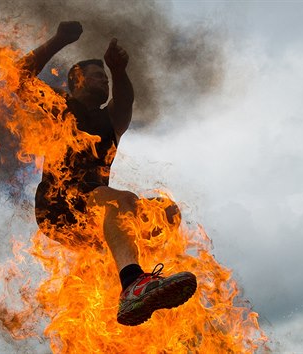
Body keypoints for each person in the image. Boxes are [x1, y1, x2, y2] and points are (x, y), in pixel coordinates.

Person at [20, 21, 197, 326]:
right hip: (58, 208)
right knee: (119, 200)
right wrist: (59, 40)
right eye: (97, 76)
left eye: (106, 76)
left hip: (92, 209)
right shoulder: (61, 105)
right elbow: (19, 77)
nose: (104, 81)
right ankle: (132, 285)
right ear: (77, 81)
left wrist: (119, 70)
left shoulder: (110, 121)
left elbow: (125, 99)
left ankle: (135, 273)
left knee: (166, 210)